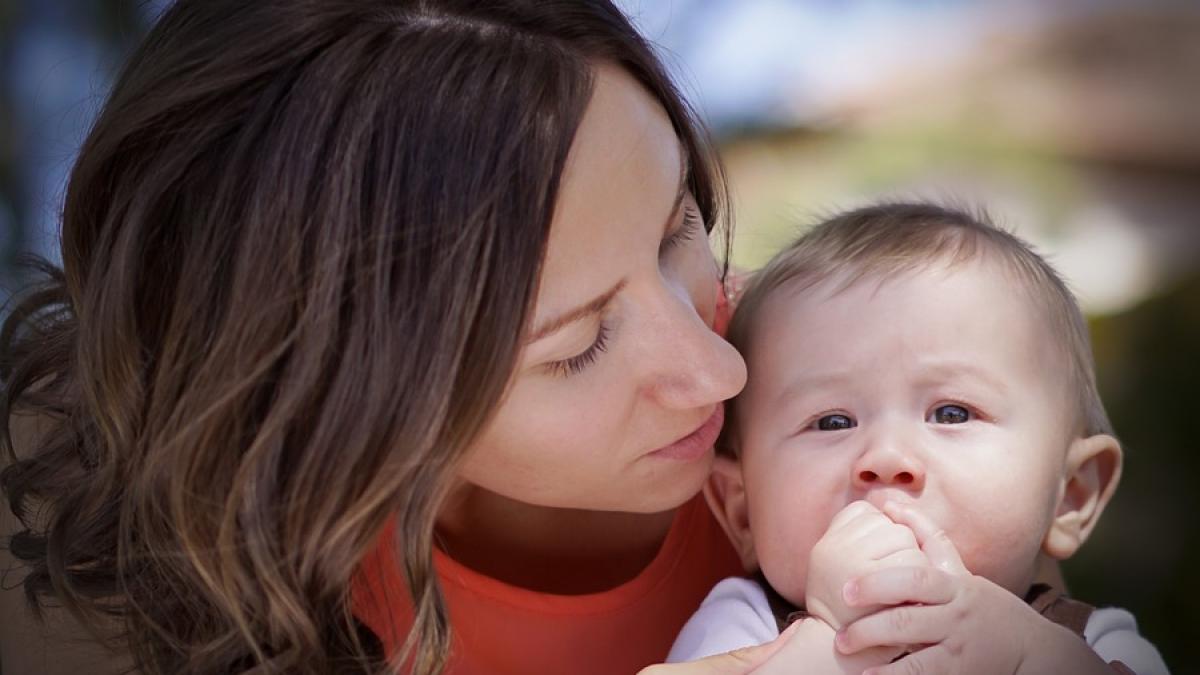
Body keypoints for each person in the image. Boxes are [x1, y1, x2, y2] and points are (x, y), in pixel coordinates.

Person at [0, 1, 760, 673]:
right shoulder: (161, 572)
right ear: (336, 393)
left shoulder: (839, 393)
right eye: (578, 347)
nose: (719, 369)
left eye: (676, 229)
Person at [667, 203, 1170, 674]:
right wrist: (831, 643)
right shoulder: (742, 627)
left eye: (951, 413)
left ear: (1071, 493)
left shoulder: (1092, 642)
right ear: (741, 509)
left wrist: (1029, 658)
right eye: (832, 422)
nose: (886, 457)